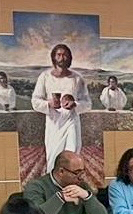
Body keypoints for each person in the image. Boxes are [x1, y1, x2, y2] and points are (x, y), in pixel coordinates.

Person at [30, 43, 92, 174]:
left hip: (71, 122)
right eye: (59, 54)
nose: (62, 57)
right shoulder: (45, 77)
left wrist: (75, 104)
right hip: (54, 125)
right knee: (54, 158)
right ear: (54, 57)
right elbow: (35, 101)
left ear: (69, 58)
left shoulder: (77, 78)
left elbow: (87, 103)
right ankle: (53, 191)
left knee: (72, 156)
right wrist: (49, 104)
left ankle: (72, 189)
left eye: (65, 55)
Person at [23, 150, 108, 214]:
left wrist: (87, 196)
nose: (81, 177)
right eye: (77, 172)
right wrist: (60, 198)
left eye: (82, 172)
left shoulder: (82, 186)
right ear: (61, 171)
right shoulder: (36, 186)